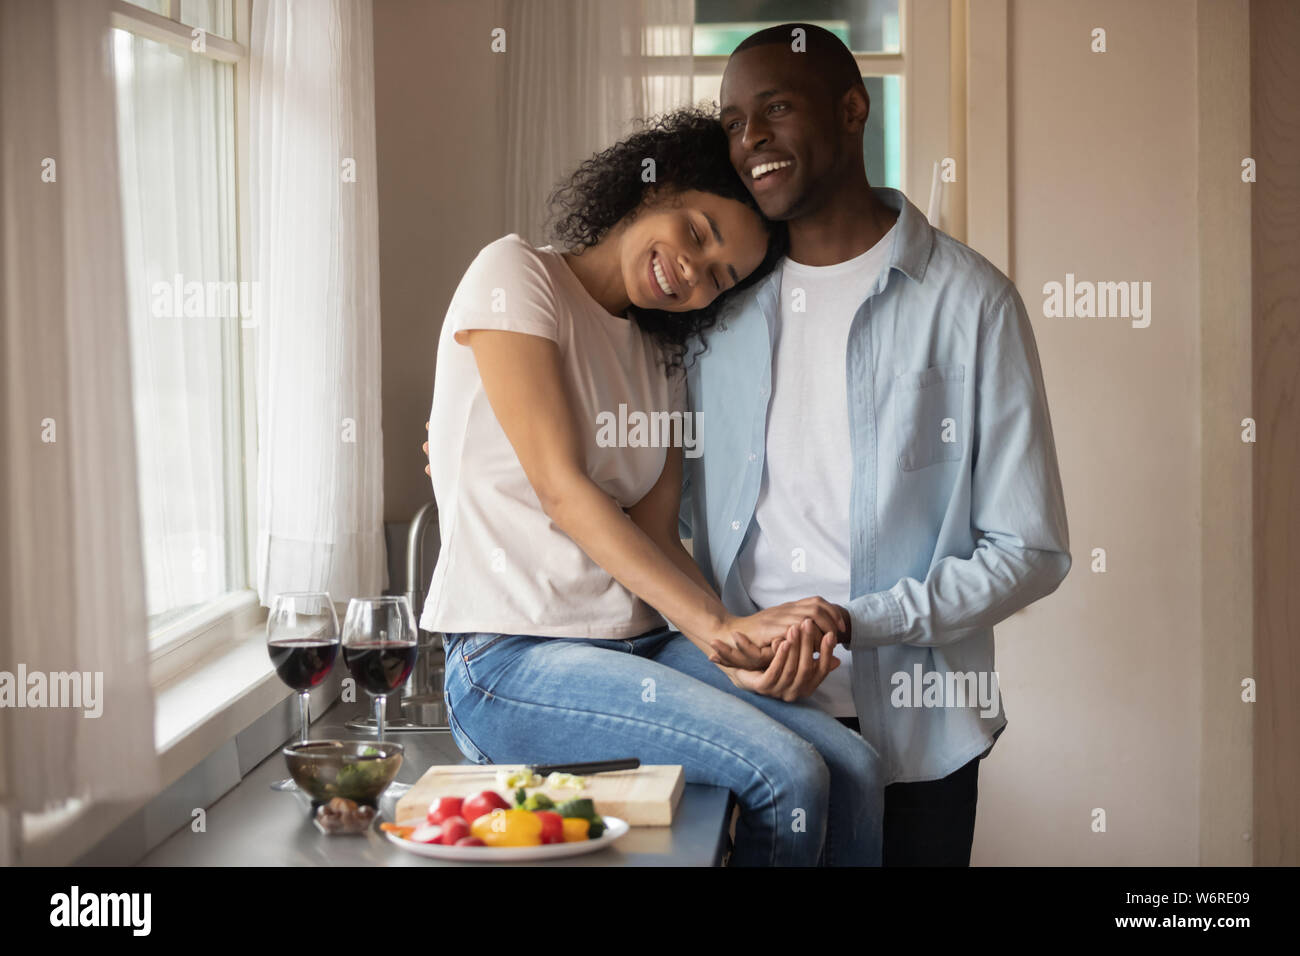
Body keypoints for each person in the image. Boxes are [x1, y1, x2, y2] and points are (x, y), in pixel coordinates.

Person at [420, 108, 884, 866]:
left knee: (857, 768)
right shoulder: (516, 274)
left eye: (720, 277)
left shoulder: (660, 355)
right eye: (698, 233)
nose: (691, 273)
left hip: (643, 645)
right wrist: (718, 631)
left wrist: (741, 640)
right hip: (512, 659)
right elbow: (564, 491)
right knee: (788, 773)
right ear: (651, 185)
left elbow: (659, 534)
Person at [687, 25, 1073, 866]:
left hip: (917, 739)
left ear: (853, 110)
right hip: (742, 718)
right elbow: (660, 500)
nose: (749, 138)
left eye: (776, 108)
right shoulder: (715, 310)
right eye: (731, 121)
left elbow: (1031, 548)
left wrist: (855, 623)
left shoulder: (972, 305)